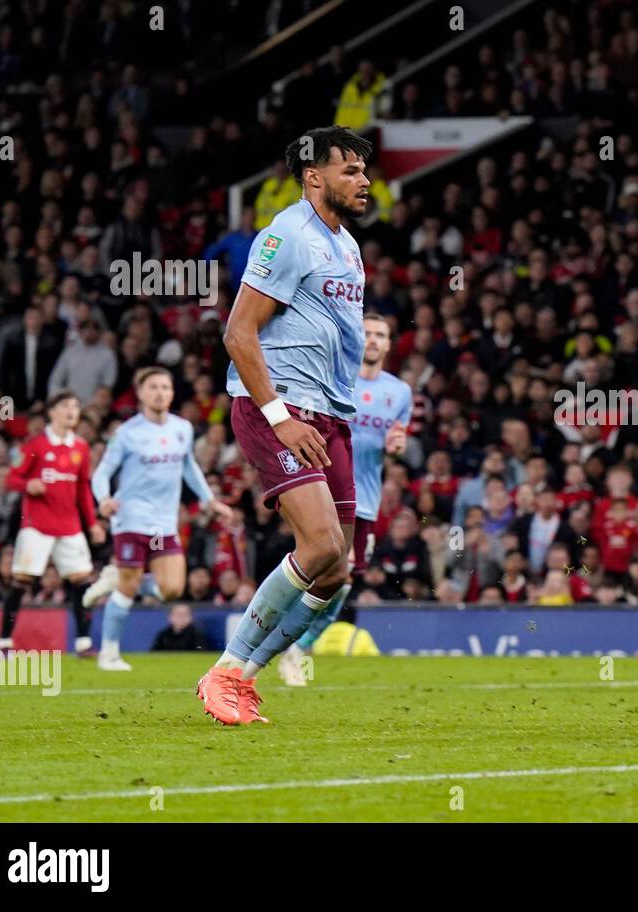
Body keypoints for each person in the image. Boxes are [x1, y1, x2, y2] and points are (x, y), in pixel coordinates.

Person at [196, 126, 373, 725]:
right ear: (314, 177)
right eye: (350, 170)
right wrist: (279, 415)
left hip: (330, 413)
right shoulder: (286, 235)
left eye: (364, 170)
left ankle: (245, 676)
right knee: (319, 543)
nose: (364, 179)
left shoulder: (347, 247)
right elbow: (238, 332)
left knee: (338, 569)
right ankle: (225, 668)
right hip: (278, 405)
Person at [278, 312, 411, 686]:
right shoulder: (336, 379)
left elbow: (397, 441)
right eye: (366, 332)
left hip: (366, 498)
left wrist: (397, 448)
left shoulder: (399, 392)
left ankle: (294, 645)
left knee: (343, 581)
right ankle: (284, 644)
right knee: (328, 570)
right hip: (324, 490)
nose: (371, 339)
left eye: (380, 334)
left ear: (388, 344)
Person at [85, 366, 232, 670]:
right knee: (128, 588)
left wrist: (209, 500)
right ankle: (108, 654)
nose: (160, 392)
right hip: (131, 518)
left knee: (173, 589)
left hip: (164, 522)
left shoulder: (182, 428)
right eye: (152, 387)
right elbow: (102, 472)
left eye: (165, 387)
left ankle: (119, 578)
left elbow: (189, 466)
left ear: (172, 393)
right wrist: (104, 500)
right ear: (140, 393)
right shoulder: (126, 434)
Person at [0, 390, 105, 653]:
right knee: (21, 582)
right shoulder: (34, 445)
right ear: (52, 411)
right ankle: (4, 642)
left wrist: (92, 523)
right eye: (66, 406)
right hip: (37, 526)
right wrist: (27, 484)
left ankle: (83, 642)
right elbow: (10, 479)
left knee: (82, 582)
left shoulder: (80, 447)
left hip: (70, 526)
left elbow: (82, 489)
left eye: (76, 407)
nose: (71, 411)